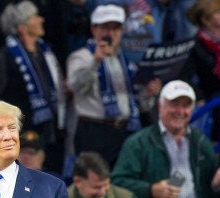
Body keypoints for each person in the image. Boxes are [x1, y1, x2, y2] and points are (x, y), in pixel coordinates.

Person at [67, 4, 161, 166]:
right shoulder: (81, 56)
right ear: (93, 29)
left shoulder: (128, 62)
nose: (110, 33)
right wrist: (95, 61)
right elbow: (75, 86)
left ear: (122, 31)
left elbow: (141, 104)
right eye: (105, 28)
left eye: (115, 28)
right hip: (94, 132)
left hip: (126, 131)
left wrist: (149, 94)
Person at [0, 1, 67, 174]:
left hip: (48, 130)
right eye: (35, 17)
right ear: (22, 27)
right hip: (20, 133)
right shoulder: (7, 56)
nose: (41, 20)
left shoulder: (45, 52)